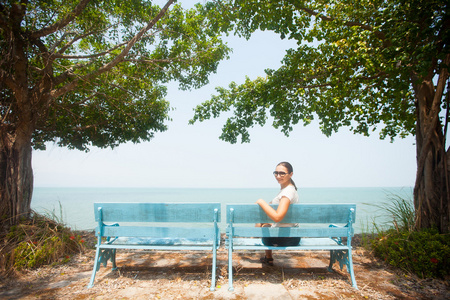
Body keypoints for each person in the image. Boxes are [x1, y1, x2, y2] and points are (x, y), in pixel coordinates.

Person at [256, 161, 300, 266]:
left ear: (291, 174)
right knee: (265, 223)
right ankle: (268, 257)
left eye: (282, 173)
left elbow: (277, 217)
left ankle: (269, 257)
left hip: (284, 238)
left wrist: (261, 202)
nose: (278, 176)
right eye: (276, 173)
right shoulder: (288, 190)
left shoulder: (287, 192)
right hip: (292, 236)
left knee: (264, 224)